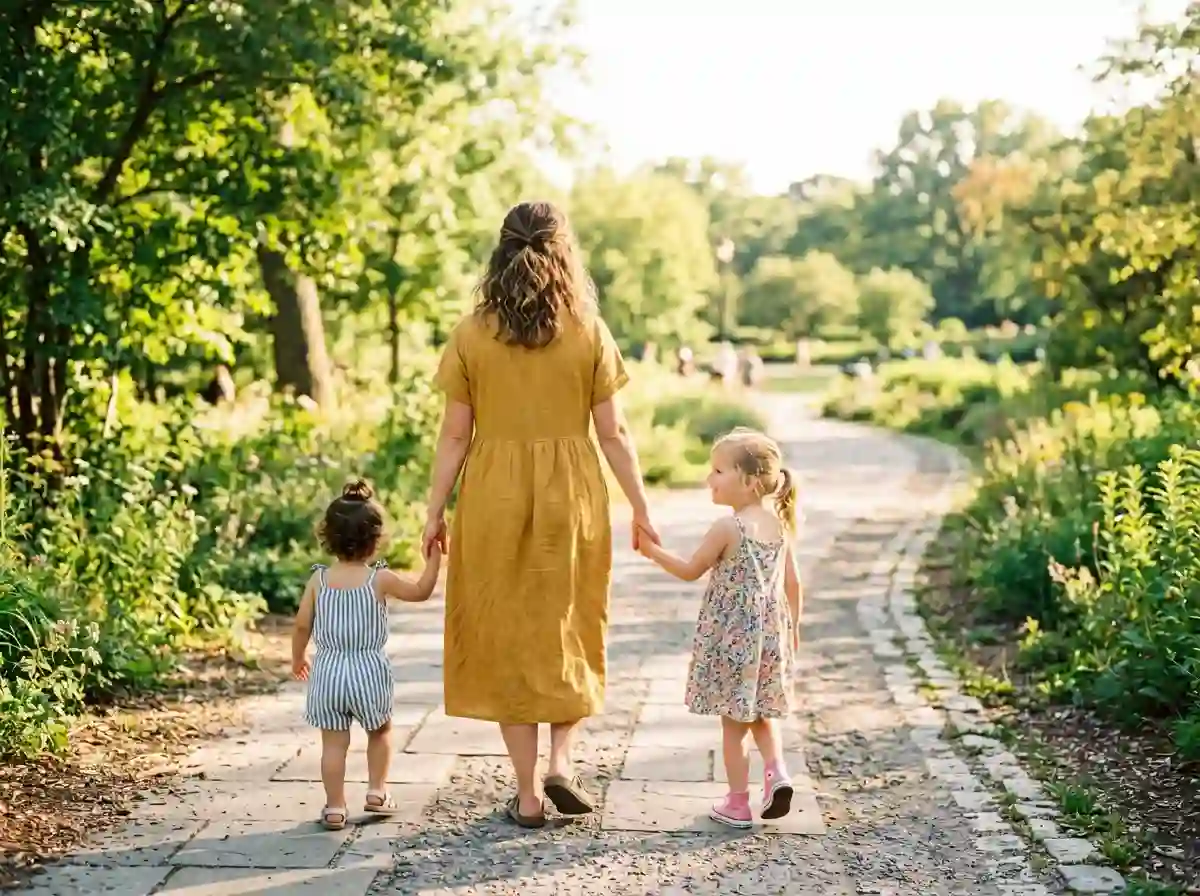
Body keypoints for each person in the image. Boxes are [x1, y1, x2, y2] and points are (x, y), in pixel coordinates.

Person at [422, 200, 659, 828]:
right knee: (569, 626)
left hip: (493, 496)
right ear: (565, 252)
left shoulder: (473, 332)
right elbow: (614, 433)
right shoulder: (587, 330)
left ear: (500, 251)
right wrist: (640, 504)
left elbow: (453, 437)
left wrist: (432, 512)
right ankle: (560, 761)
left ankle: (527, 794)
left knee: (508, 635)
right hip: (571, 496)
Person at [635, 427, 802, 829]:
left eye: (718, 471)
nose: (709, 479)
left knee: (733, 723)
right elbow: (793, 583)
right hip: (770, 635)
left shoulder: (728, 528)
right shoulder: (779, 525)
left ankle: (738, 802)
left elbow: (691, 570)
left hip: (734, 639)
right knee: (762, 713)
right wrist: (793, 629)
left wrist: (653, 551)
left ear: (748, 481)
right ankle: (777, 772)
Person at [291, 479, 442, 831]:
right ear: (375, 540)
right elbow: (420, 591)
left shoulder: (318, 581)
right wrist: (433, 560)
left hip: (327, 671)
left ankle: (334, 807)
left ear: (327, 536)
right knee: (380, 731)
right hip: (367, 669)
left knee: (333, 742)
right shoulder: (380, 579)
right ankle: (376, 790)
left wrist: (298, 658)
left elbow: (301, 625)